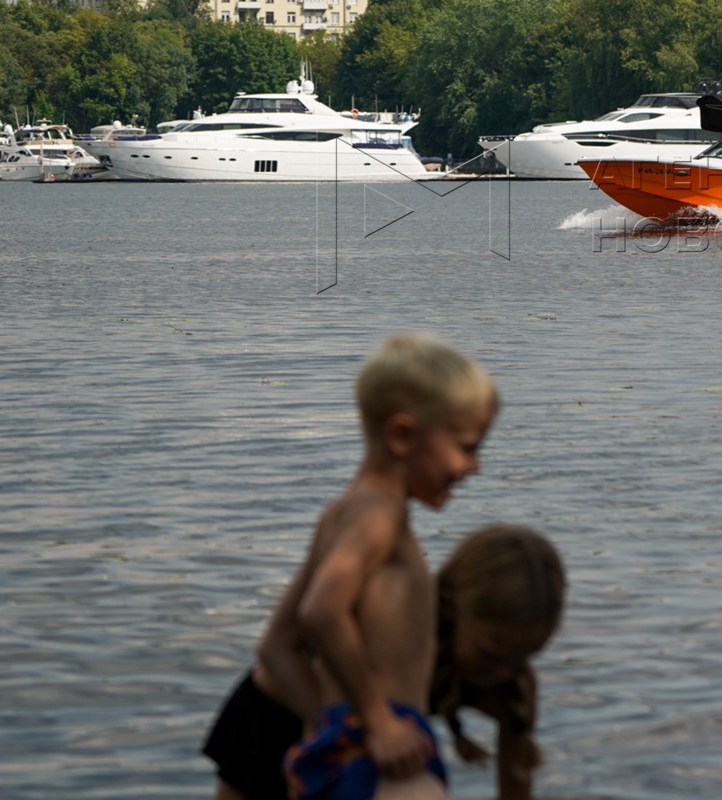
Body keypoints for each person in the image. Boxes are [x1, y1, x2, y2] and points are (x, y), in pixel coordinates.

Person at [203, 333, 500, 800]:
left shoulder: (343, 511)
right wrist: (377, 723)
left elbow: (276, 646)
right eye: (467, 446)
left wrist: (328, 728)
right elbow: (322, 610)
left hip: (351, 737)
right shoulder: (381, 514)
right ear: (402, 436)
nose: (474, 466)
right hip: (382, 736)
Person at [428, 525, 567, 800]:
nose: (504, 673)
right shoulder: (401, 645)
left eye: (521, 659)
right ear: (449, 604)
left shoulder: (516, 688)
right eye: (490, 655)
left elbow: (516, 793)